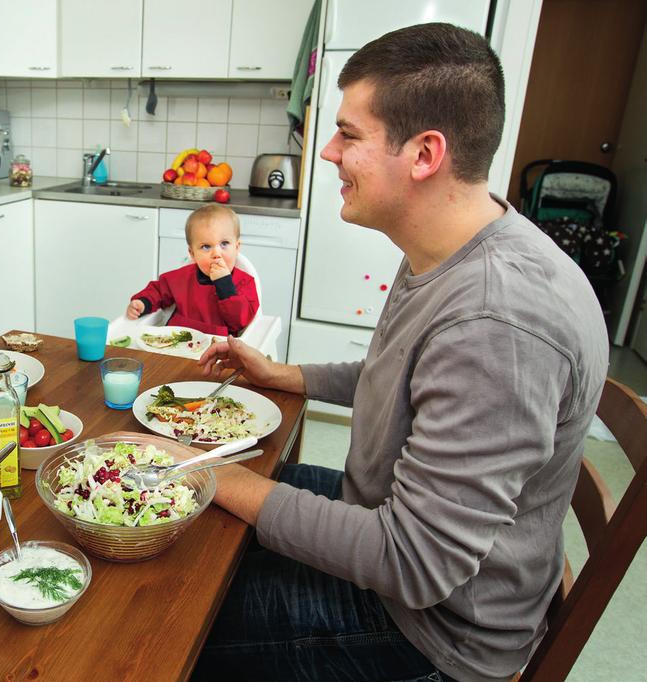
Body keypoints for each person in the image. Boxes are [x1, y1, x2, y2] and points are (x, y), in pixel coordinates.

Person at [188, 23, 609, 682]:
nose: (326, 151)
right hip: (390, 525)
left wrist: (207, 473)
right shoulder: (452, 245)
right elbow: (401, 378)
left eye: (348, 135)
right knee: (190, 527)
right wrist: (282, 373)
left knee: (171, 617)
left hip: (427, 635)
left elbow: (411, 563)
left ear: (423, 153)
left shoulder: (496, 322)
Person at [126, 204, 259, 336]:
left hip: (218, 348)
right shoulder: (183, 277)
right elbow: (159, 289)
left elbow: (240, 321)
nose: (216, 253)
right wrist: (143, 303)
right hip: (175, 341)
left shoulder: (244, 283)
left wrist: (225, 285)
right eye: (206, 246)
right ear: (192, 253)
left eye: (224, 244)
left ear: (237, 247)